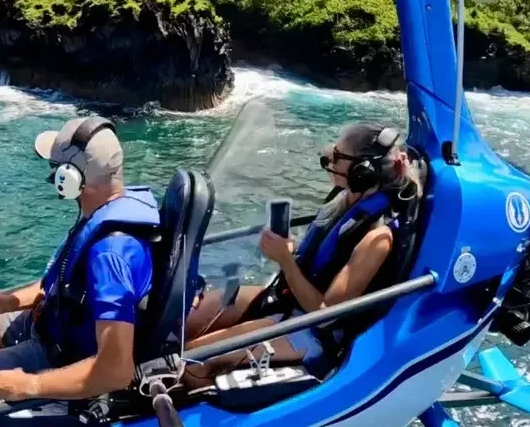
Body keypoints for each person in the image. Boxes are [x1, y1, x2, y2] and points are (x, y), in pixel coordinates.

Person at [0, 116, 159, 415]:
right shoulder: (103, 210)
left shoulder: (110, 256)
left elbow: (115, 369)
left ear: (72, 177)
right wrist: (7, 302)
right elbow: (64, 283)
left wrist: (30, 385)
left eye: (55, 169)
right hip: (47, 322)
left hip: (57, 354)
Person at [181, 123, 422, 388]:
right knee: (181, 325)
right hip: (289, 298)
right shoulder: (345, 199)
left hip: (314, 332)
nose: (328, 159)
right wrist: (290, 254)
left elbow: (326, 314)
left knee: (192, 364)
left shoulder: (377, 237)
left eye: (338, 156)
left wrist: (285, 260)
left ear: (363, 171)